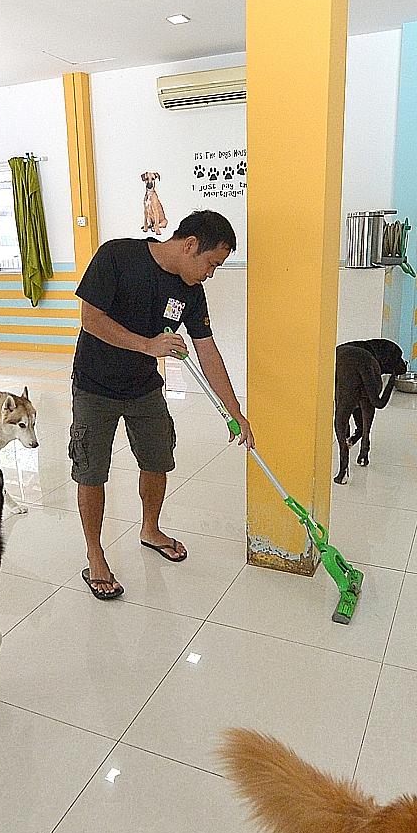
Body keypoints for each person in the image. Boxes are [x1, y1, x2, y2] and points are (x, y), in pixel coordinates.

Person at [69, 209, 253, 600]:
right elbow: (91, 319)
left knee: (157, 460)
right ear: (189, 246)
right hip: (95, 385)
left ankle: (149, 528)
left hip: (144, 389)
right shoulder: (117, 256)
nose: (211, 273)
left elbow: (208, 350)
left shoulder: (189, 290)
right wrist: (148, 345)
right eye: (211, 264)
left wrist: (235, 411)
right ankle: (96, 554)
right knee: (91, 471)